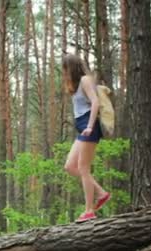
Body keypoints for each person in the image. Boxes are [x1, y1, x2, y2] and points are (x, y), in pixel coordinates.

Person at [61, 54, 111, 223]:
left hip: (89, 126)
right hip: (82, 127)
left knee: (83, 168)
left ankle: (89, 211)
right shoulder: (76, 85)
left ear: (72, 67)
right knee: (69, 166)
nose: (65, 73)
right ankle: (101, 193)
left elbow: (95, 102)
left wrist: (90, 126)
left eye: (66, 69)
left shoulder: (85, 80)